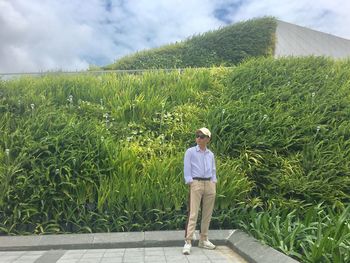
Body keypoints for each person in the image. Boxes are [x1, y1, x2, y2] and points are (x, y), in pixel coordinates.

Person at [182, 127, 217, 255]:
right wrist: (190, 181)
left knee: (207, 214)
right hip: (196, 182)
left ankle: (204, 239)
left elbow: (213, 170)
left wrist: (213, 181)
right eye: (197, 136)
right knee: (193, 213)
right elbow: (187, 168)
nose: (198, 138)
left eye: (202, 136)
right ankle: (188, 241)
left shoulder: (210, 154)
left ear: (208, 139)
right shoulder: (190, 152)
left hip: (209, 183)